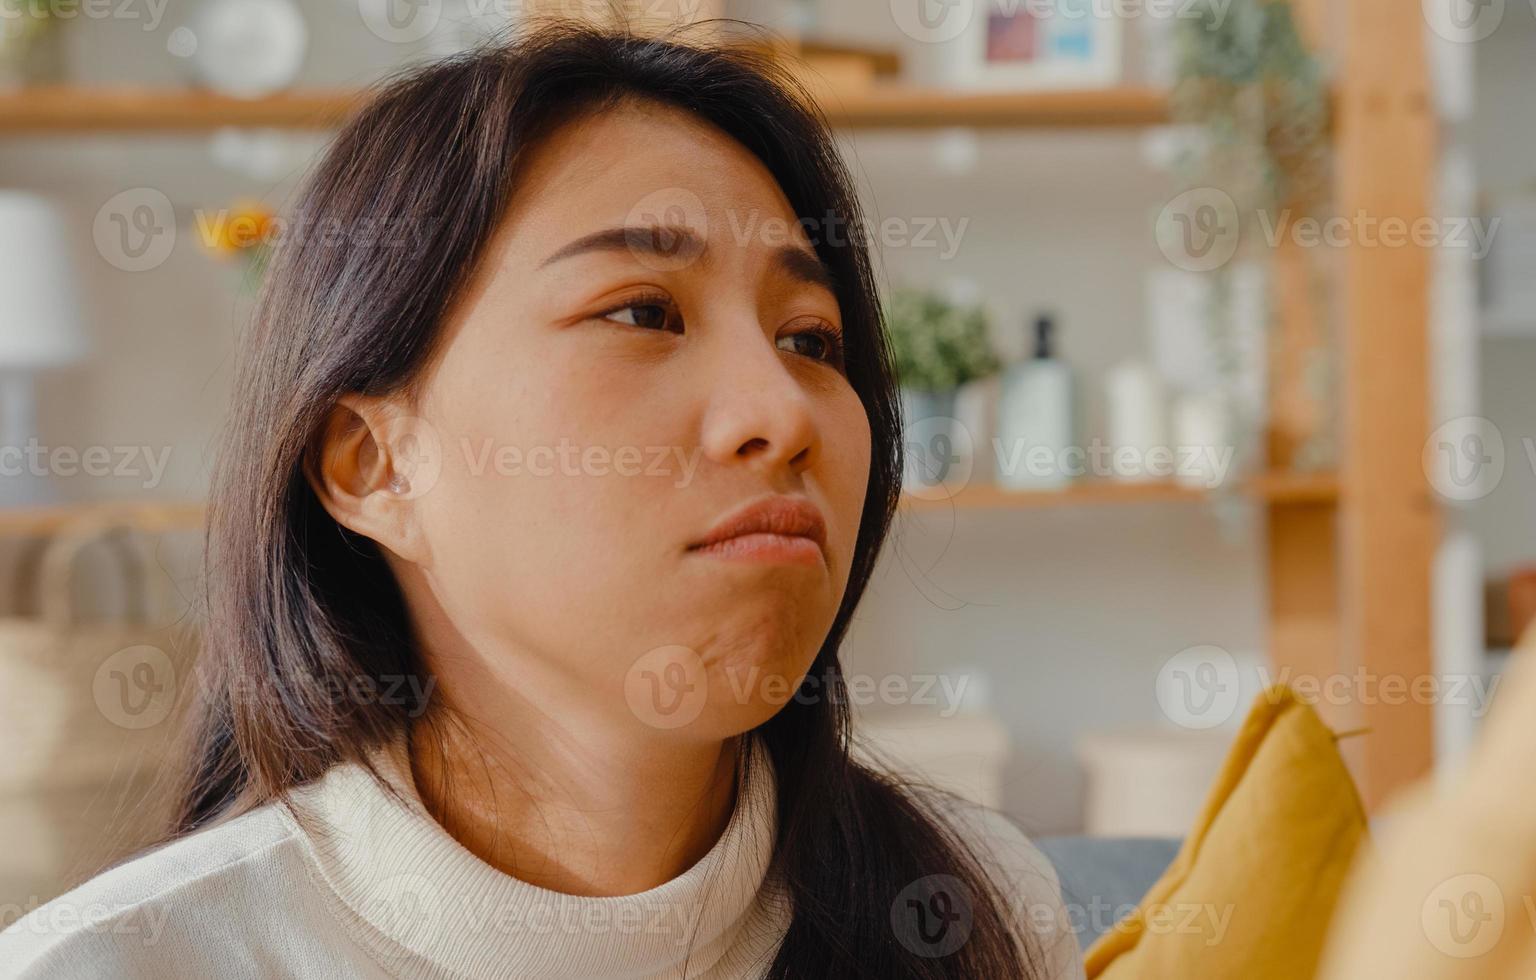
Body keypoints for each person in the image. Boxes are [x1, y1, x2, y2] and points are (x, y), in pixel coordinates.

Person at [0, 23, 1081, 980]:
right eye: (644, 310)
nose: (782, 410)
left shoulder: (971, 905)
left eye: (811, 339)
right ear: (375, 464)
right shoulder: (117, 963)